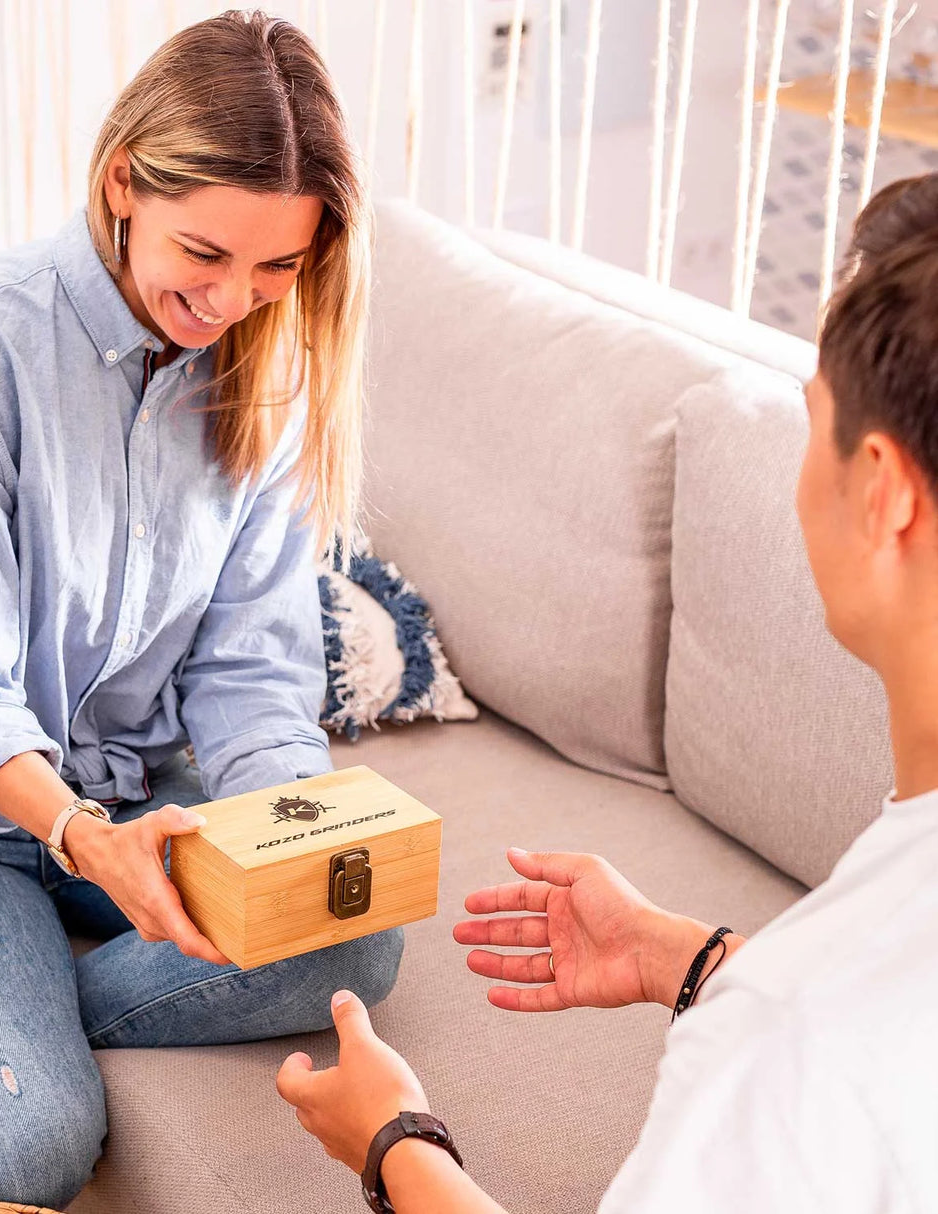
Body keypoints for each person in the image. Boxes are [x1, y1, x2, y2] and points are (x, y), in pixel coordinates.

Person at [0, 13, 403, 1213]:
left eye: (279, 266)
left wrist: (297, 829)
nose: (234, 299)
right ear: (123, 179)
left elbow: (247, 673)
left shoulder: (265, 376)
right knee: (34, 1140)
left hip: (141, 791)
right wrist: (80, 836)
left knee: (354, 931)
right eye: (206, 252)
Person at [278, 174, 938, 1212]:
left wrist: (392, 1139)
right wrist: (685, 955)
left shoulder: (787, 1039)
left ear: (883, 491)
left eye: (809, 424)